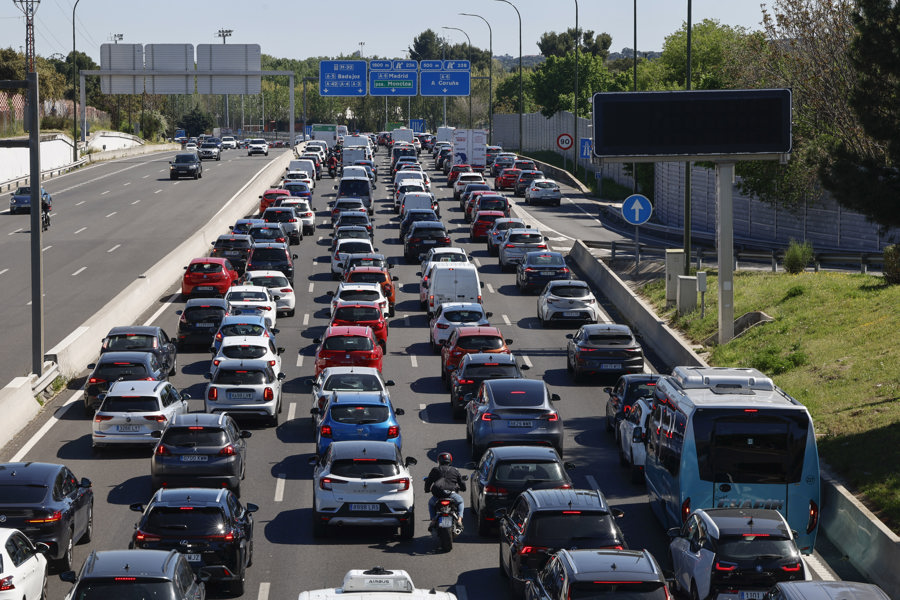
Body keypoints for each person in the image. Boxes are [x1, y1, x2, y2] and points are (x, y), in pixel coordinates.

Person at [424, 452, 466, 530]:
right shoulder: (454, 470)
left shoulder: (435, 470)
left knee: (431, 503)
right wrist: (463, 488)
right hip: (451, 495)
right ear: (450, 460)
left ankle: (433, 521)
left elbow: (428, 482)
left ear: (439, 461)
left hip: (438, 495)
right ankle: (459, 520)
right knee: (460, 501)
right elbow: (461, 482)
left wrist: (427, 489)